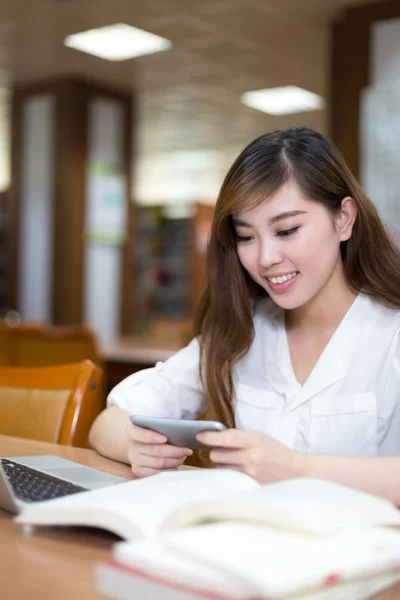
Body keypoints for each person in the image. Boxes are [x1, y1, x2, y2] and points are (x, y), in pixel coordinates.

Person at [89, 126, 400, 481]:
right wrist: (134, 446)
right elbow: (106, 422)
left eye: (286, 231)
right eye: (246, 237)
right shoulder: (241, 332)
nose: (266, 258)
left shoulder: (391, 333)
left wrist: (297, 468)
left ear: (343, 219)